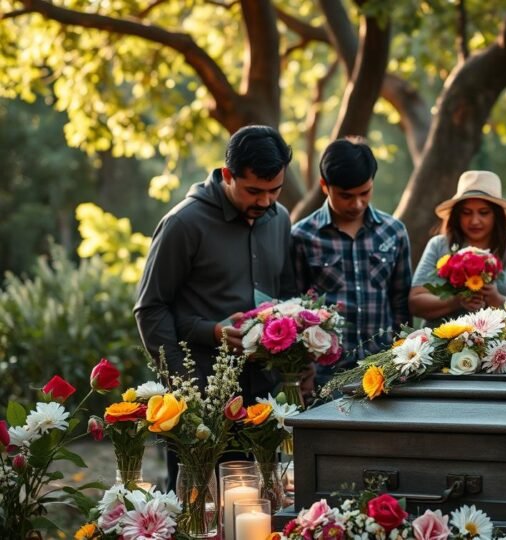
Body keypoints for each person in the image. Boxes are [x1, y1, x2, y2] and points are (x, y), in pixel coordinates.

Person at [134, 125, 299, 488]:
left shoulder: (280, 219)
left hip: (266, 399)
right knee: (202, 513)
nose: (266, 202)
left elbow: (286, 296)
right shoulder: (183, 223)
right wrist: (187, 394)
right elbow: (150, 310)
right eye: (254, 191)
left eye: (275, 190)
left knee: (267, 505)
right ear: (227, 175)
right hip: (203, 404)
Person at [291, 138, 412, 382]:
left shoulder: (394, 232)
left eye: (364, 193)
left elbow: (401, 304)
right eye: (346, 196)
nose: (357, 204)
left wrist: (403, 359)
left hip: (384, 372)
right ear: (325, 186)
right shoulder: (302, 236)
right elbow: (294, 308)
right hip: (325, 377)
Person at [409, 170, 506, 327]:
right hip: (441, 347)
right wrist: (456, 301)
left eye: (484, 213)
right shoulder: (438, 245)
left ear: (497, 215)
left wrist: (498, 300)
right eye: (466, 213)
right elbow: (415, 302)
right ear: (457, 215)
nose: (474, 221)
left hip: (503, 347)